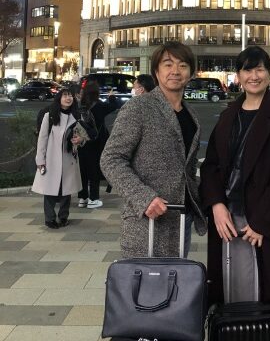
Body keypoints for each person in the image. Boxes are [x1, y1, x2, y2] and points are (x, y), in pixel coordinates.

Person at [200, 46, 270, 340]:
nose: (254, 76)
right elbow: (211, 166)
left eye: (260, 69)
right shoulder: (228, 115)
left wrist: (263, 223)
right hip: (227, 220)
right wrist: (216, 205)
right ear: (238, 75)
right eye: (247, 70)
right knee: (228, 287)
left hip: (263, 223)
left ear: (269, 74)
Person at [100, 41, 206, 258]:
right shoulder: (139, 107)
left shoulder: (191, 115)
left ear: (191, 73)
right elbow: (111, 159)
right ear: (157, 71)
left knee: (177, 277)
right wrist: (143, 197)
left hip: (181, 220)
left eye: (182, 65)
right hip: (145, 221)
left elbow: (187, 167)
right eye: (168, 64)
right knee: (143, 279)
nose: (175, 71)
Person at [31, 87, 83, 228]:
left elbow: (82, 136)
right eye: (65, 95)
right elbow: (42, 139)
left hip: (68, 159)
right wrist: (40, 160)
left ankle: (63, 217)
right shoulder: (50, 116)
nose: (68, 98)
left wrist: (80, 140)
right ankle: (50, 219)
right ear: (59, 98)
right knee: (49, 190)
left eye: (70, 96)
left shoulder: (77, 116)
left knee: (66, 190)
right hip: (51, 159)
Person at [77, 81, 118, 209]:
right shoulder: (99, 105)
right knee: (94, 170)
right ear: (96, 92)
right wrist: (111, 96)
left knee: (82, 170)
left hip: (81, 141)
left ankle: (83, 198)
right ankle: (93, 199)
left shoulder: (80, 106)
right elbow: (114, 106)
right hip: (96, 141)